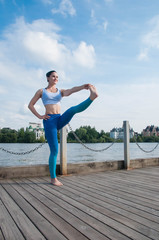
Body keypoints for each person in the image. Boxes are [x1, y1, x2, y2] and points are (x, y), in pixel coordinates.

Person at [28, 70, 98, 186]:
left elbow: (71, 90)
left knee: (72, 110)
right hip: (49, 121)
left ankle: (92, 97)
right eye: (53, 76)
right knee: (54, 150)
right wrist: (40, 116)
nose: (56, 78)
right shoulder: (42, 91)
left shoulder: (60, 92)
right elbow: (30, 105)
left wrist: (83, 87)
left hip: (59, 118)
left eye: (57, 77)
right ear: (48, 78)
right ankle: (53, 178)